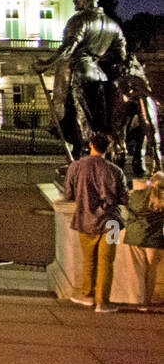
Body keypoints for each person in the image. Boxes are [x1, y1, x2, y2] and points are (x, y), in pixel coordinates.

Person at [35, 0, 129, 160]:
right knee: (101, 121)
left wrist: (46, 63)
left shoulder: (79, 20)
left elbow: (68, 48)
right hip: (100, 74)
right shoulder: (113, 25)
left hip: (79, 72)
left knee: (72, 113)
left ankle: (77, 147)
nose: (73, 1)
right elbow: (122, 54)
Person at [63, 132, 128, 311]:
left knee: (88, 260)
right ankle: (103, 302)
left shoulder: (75, 167)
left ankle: (87, 295)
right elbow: (124, 198)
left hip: (85, 219)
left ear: (91, 145)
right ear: (108, 149)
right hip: (112, 222)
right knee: (107, 262)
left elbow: (68, 194)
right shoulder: (116, 170)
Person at [121, 171, 164, 311]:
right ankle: (146, 302)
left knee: (139, 270)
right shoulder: (161, 201)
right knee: (151, 272)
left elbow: (127, 205)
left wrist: (148, 183)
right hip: (153, 240)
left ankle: (137, 299)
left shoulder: (137, 195)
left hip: (135, 236)